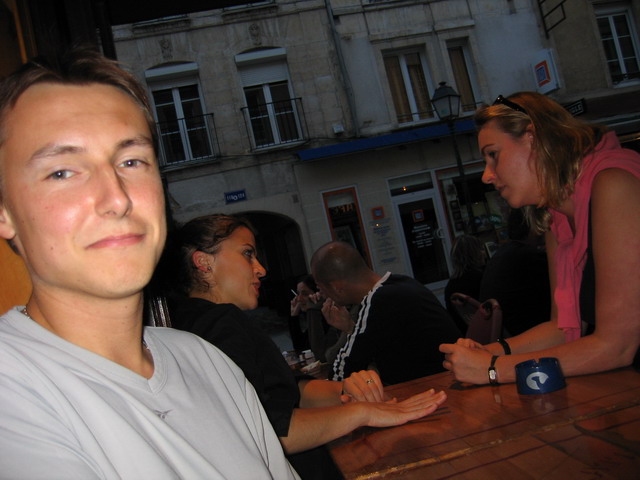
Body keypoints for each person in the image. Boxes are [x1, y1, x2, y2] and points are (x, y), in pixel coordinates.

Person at [0, 47, 299, 478]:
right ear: (4, 211)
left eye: (131, 161)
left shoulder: (207, 362)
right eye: (62, 171)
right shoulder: (13, 393)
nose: (117, 198)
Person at [160, 214, 448, 479]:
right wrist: (362, 412)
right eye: (247, 254)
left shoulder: (200, 320)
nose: (261, 269)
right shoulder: (217, 323)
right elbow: (272, 430)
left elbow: (287, 392)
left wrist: (345, 390)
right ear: (204, 262)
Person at [440, 92, 640, 385]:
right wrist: (488, 352)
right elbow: (562, 328)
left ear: (533, 139)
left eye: (493, 154)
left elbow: (618, 345)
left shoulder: (615, 183)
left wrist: (493, 368)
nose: (486, 175)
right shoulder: (556, 217)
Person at [311, 241, 462, 386]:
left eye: (320, 287)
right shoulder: (401, 282)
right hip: (447, 381)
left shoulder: (378, 301)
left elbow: (341, 374)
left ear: (337, 287)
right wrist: (350, 328)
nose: (322, 294)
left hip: (441, 390)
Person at [479, 207, 550, 336]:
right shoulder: (528, 256)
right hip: (526, 331)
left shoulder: (503, 253)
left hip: (505, 331)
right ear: (533, 227)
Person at [290, 274, 339, 363]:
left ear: (318, 294)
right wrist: (294, 317)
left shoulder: (330, 316)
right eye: (298, 294)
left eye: (305, 294)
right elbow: (301, 349)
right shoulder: (311, 315)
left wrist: (313, 309)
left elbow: (319, 354)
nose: (299, 299)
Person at [443, 234, 487, 333]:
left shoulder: (450, 287)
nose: (484, 253)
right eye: (481, 249)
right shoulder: (481, 278)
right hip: (490, 332)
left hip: (468, 335)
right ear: (474, 254)